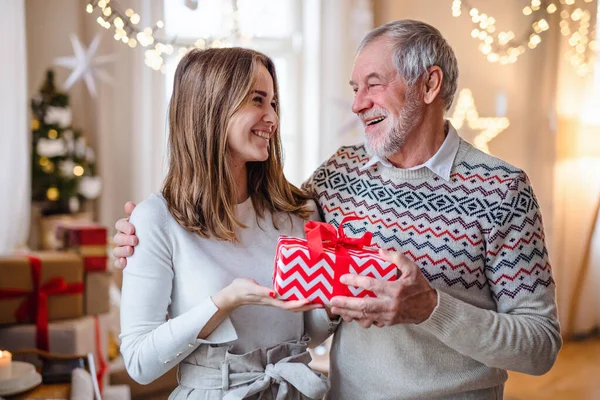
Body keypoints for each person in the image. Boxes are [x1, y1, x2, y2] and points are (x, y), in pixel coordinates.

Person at [115, 20, 561, 399]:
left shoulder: (502, 190)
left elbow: (540, 347)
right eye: (354, 88)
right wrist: (140, 235)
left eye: (373, 84)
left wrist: (430, 308)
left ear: (429, 84)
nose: (357, 103)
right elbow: (251, 230)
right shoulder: (336, 179)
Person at [117, 47, 334, 400]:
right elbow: (140, 363)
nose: (273, 118)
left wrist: (335, 302)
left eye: (274, 104)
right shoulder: (155, 220)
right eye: (257, 100)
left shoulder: (296, 212)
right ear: (212, 107)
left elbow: (308, 332)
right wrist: (223, 302)